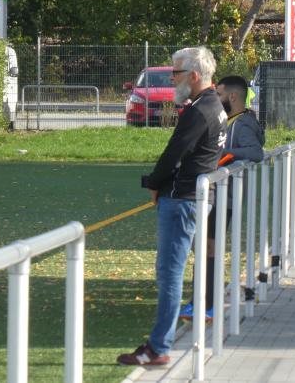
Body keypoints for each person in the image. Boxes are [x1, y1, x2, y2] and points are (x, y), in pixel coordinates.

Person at [117, 46, 227, 366]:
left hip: (183, 200)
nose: (172, 78)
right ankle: (167, 340)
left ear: (194, 75)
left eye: (176, 73)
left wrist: (154, 183)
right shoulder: (212, 105)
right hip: (194, 197)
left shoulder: (200, 110)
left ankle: (158, 347)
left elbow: (174, 153)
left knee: (169, 275)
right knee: (180, 271)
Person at [178, 74, 265, 321]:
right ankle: (200, 301)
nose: (216, 98)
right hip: (217, 193)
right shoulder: (232, 120)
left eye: (219, 94)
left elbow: (256, 152)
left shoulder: (242, 122)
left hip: (223, 194)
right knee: (204, 246)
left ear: (233, 96)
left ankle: (207, 304)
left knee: (208, 246)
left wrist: (225, 155)